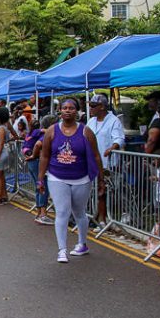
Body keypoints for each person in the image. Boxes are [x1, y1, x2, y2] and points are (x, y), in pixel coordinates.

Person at [38, 99, 104, 263]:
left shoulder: (86, 131)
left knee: (79, 212)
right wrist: (40, 179)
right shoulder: (52, 131)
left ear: (77, 111)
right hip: (57, 177)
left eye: (71, 108)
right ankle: (62, 250)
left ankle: (82, 243)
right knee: (62, 212)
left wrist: (101, 179)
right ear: (59, 111)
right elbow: (45, 156)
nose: (68, 111)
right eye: (64, 108)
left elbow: (96, 155)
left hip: (81, 178)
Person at [86, 94, 125, 227]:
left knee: (103, 191)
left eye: (93, 106)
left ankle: (102, 219)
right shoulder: (91, 121)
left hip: (107, 163)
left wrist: (111, 148)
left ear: (102, 107)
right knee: (92, 190)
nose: (90, 108)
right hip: (91, 161)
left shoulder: (113, 120)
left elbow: (119, 138)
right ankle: (93, 215)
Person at [24, 116, 54, 225]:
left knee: (38, 187)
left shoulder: (31, 134)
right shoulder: (43, 134)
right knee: (42, 186)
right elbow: (38, 145)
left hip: (33, 162)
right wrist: (34, 155)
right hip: (37, 162)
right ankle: (43, 214)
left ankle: (38, 213)